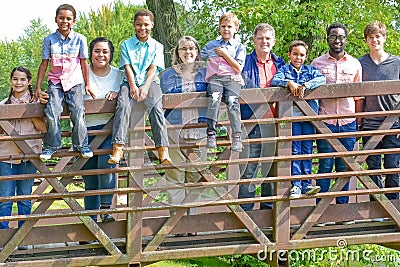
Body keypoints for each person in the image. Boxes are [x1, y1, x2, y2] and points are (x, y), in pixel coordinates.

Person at [39, 37, 123, 223]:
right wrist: (44, 96)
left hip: (108, 129)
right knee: (90, 179)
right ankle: (90, 222)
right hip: (84, 132)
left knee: (106, 166)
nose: (101, 55)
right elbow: (59, 93)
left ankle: (106, 210)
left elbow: (128, 93)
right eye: (97, 51)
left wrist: (119, 93)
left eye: (105, 51)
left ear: (111, 55)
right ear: (89, 53)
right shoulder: (77, 74)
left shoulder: (119, 75)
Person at [108, 9, 171, 165]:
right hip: (129, 81)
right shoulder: (126, 45)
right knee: (122, 106)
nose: (142, 28)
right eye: (139, 25)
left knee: (156, 108)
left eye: (146, 25)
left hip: (150, 82)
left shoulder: (157, 46)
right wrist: (132, 86)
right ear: (134, 25)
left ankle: (162, 149)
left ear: (152, 25)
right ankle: (118, 147)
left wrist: (145, 87)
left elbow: (153, 68)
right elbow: (127, 66)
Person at [311, 22, 362, 208]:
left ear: (346, 40)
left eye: (341, 37)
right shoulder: (316, 63)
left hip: (348, 122)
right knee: (325, 166)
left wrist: (359, 122)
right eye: (333, 36)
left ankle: (342, 209)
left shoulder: (355, 64)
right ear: (327, 39)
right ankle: (320, 210)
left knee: (344, 167)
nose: (337, 40)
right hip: (325, 122)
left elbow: (359, 96)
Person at [35, 4, 94, 160]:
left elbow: (83, 63)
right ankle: (51, 145)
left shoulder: (80, 39)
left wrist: (87, 84)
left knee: (78, 111)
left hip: (74, 81)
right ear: (56, 19)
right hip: (55, 81)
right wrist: (38, 87)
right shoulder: (49, 40)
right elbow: (44, 64)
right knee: (52, 111)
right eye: (61, 18)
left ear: (74, 21)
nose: (65, 21)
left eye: (69, 19)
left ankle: (81, 144)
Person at [238, 23, 285, 211]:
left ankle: (268, 214)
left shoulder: (281, 64)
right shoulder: (243, 63)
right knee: (249, 171)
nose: (264, 42)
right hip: (252, 123)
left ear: (273, 41)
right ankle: (245, 215)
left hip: (276, 123)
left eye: (267, 38)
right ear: (254, 41)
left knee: (272, 171)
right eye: (260, 38)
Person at [270, 40, 326, 198]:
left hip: (308, 117)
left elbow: (322, 80)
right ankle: (295, 184)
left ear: (306, 56)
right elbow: (275, 81)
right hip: (292, 116)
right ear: (289, 55)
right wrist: (289, 83)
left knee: (307, 149)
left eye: (301, 55)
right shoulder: (285, 70)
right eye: (295, 54)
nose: (298, 57)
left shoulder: (311, 70)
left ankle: (306, 183)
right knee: (295, 150)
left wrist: (306, 86)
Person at [160, 36, 207, 219]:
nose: (188, 52)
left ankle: (192, 222)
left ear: (197, 51)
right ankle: (176, 222)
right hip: (175, 132)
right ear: (177, 53)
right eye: (183, 49)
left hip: (199, 131)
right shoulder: (166, 75)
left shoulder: (206, 74)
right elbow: (162, 102)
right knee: (175, 178)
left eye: (191, 48)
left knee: (195, 177)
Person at [0, 66, 47, 234]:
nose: (18, 82)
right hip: (7, 157)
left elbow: (44, 128)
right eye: (15, 79)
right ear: (11, 81)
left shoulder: (36, 104)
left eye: (22, 79)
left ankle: (23, 237)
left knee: (25, 198)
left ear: (29, 82)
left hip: (29, 158)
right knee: (5, 199)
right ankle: (3, 236)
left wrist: (30, 112)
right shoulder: (3, 105)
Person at [358, 21, 400, 201]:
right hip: (370, 123)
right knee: (373, 167)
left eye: (378, 36)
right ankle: (377, 208)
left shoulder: (397, 62)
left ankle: (393, 209)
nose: (374, 40)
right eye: (370, 37)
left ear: (384, 38)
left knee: (393, 167)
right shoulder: (360, 63)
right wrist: (358, 122)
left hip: (394, 124)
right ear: (366, 40)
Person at [200, 13, 246, 152]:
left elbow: (238, 68)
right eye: (223, 26)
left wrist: (225, 54)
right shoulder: (211, 45)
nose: (226, 29)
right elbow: (198, 60)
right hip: (215, 78)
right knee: (214, 98)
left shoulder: (239, 47)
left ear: (236, 29)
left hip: (231, 78)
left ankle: (237, 136)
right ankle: (211, 133)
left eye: (229, 27)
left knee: (232, 100)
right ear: (219, 28)